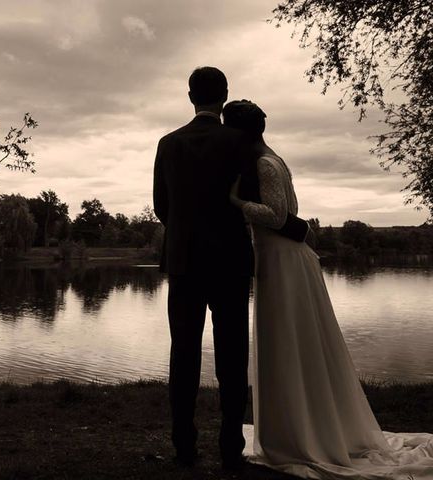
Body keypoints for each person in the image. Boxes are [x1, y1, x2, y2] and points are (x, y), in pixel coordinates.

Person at [226, 99, 433, 479]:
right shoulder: (270, 159)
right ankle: (295, 427)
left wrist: (238, 203)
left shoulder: (264, 163)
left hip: (285, 262)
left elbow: (277, 216)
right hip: (278, 258)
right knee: (288, 342)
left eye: (229, 128)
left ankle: (301, 433)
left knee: (290, 341)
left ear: (241, 131)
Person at [152, 66, 256, 469]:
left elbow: (163, 205)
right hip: (229, 261)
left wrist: (186, 233)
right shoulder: (239, 141)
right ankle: (231, 449)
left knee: (184, 353)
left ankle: (184, 447)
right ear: (224, 95)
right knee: (232, 356)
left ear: (190, 96)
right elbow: (248, 198)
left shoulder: (168, 143)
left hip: (183, 261)